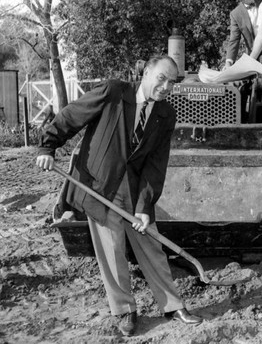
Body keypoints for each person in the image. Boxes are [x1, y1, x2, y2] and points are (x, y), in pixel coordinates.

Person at [36, 55, 202, 336]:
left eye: (171, 83)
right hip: (100, 184)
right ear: (147, 72)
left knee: (151, 243)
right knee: (112, 249)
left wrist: (145, 205)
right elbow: (72, 115)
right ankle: (125, 310)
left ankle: (173, 305)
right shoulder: (113, 92)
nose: (165, 87)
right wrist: (47, 147)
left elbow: (156, 163)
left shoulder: (165, 115)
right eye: (161, 78)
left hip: (134, 187)